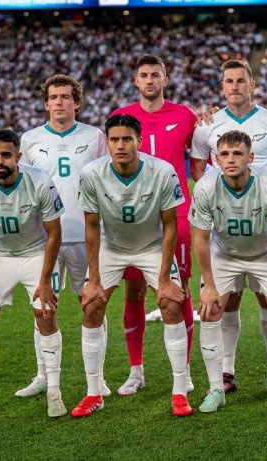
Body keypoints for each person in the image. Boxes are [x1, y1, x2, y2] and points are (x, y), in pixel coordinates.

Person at [71, 114, 191, 417]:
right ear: (107, 142)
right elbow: (91, 226)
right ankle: (94, 393)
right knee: (92, 305)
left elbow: (170, 225)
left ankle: (179, 390)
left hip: (152, 246)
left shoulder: (161, 171)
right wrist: (94, 279)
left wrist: (164, 279)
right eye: (114, 139)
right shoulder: (92, 173)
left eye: (127, 139)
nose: (120, 145)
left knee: (170, 303)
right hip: (112, 247)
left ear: (139, 141)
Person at [189, 59, 267, 396]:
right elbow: (197, 167)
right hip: (227, 231)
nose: (234, 86)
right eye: (228, 81)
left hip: (264, 229)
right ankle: (226, 372)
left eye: (240, 80)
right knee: (228, 301)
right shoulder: (208, 125)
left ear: (252, 85)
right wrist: (220, 200)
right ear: (222, 86)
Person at [0, 129, 66, 418]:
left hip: (36, 253)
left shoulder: (40, 181)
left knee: (46, 314)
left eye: (6, 155)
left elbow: (54, 233)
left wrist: (45, 281)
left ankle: (54, 392)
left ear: (18, 156)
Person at [18, 74, 109, 399]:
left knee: (93, 305)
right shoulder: (29, 139)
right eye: (54, 97)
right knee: (43, 308)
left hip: (86, 236)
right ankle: (42, 375)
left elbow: (105, 179)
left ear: (77, 102)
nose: (59, 102)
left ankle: (97, 379)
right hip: (45, 239)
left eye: (65, 97)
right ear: (46, 103)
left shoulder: (95, 136)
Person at [111, 55, 197, 396]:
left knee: (180, 289)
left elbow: (202, 158)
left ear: (165, 79)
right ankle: (136, 371)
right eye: (144, 75)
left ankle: (184, 372)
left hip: (178, 214)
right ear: (136, 80)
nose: (150, 80)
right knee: (133, 291)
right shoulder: (121, 117)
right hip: (134, 217)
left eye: (155, 75)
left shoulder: (185, 115)